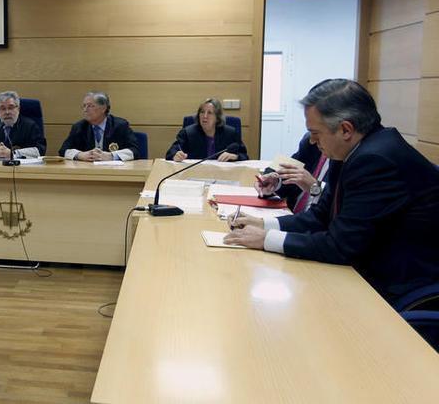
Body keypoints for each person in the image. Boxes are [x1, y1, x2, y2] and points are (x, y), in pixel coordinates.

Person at [226, 79, 439, 303]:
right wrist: (263, 224)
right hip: (364, 269)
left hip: (399, 286)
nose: (311, 141)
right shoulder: (351, 150)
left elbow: (340, 246)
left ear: (346, 129)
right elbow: (321, 216)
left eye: (315, 133)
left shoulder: (376, 160)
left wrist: (266, 239)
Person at [257, 132, 336, 213]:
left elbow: (336, 203)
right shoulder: (311, 142)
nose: (312, 140)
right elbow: (278, 166)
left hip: (315, 218)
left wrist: (314, 187)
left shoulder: (341, 157)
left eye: (315, 131)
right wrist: (275, 181)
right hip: (292, 214)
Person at [59, 91, 139, 161]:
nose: (85, 110)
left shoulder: (120, 126)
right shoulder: (79, 127)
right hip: (87, 170)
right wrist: (80, 155)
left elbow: (135, 150)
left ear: (103, 108)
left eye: (90, 106)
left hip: (114, 170)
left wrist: (111, 156)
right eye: (84, 106)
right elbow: (63, 150)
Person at [165, 98, 248, 162]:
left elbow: (244, 156)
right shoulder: (187, 133)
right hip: (195, 174)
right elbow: (171, 152)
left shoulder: (230, 134)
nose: (205, 116)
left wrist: (235, 157)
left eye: (209, 113)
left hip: (223, 174)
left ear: (217, 117)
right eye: (202, 112)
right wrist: (175, 155)